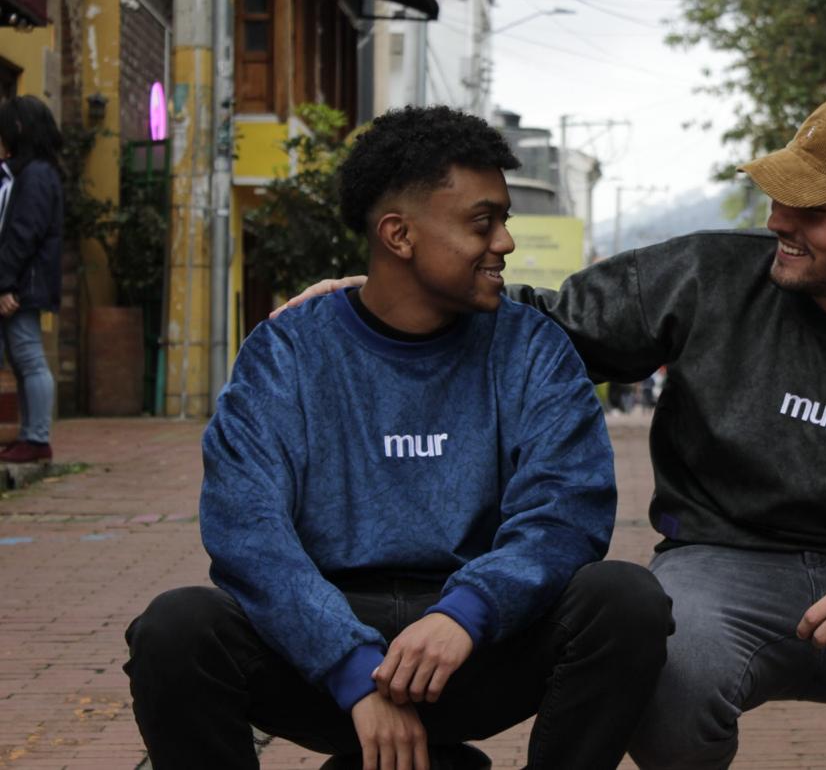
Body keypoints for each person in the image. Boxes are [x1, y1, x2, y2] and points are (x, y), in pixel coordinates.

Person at [278, 93, 826, 769]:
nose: (781, 219)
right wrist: (402, 288)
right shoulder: (707, 274)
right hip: (718, 573)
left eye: (813, 210)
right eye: (780, 195)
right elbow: (551, 325)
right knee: (656, 663)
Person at [125, 105, 671, 770]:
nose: (504, 242)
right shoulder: (287, 352)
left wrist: (466, 612)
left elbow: (565, 514)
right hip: (322, 652)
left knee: (624, 603)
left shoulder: (532, 349)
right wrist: (350, 665)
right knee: (176, 630)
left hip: (476, 643)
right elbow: (247, 529)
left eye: (503, 221)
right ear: (399, 235)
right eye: (482, 222)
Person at [0, 96, 63, 463]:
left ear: (20, 128)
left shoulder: (36, 175)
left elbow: (24, 233)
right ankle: (30, 436)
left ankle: (37, 438)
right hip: (25, 281)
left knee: (28, 357)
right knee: (23, 358)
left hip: (24, 285)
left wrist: (6, 284)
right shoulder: (34, 172)